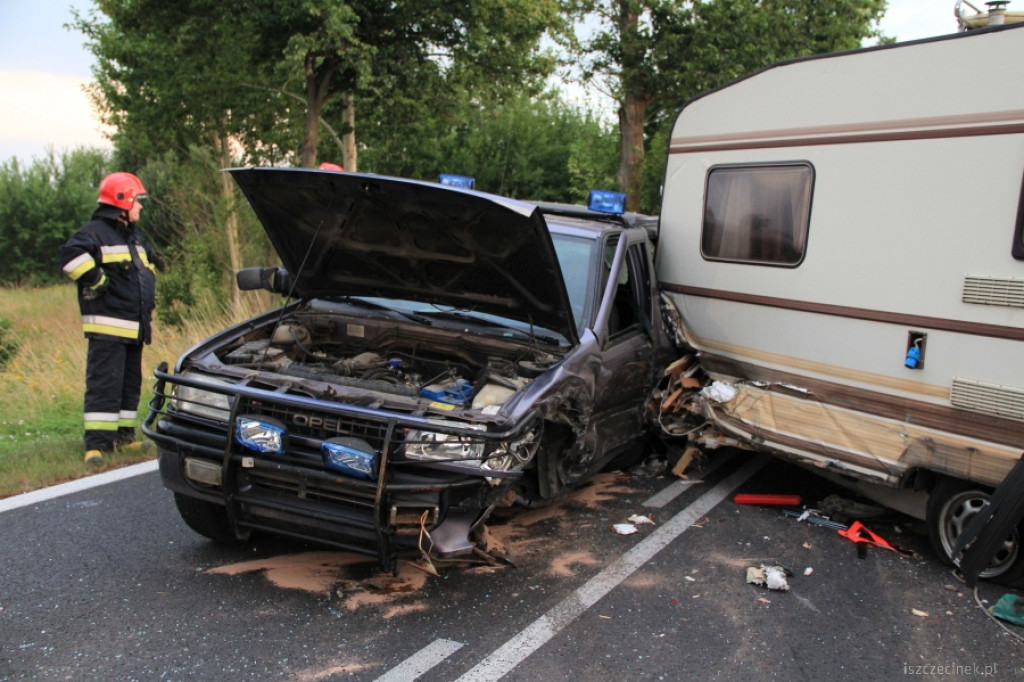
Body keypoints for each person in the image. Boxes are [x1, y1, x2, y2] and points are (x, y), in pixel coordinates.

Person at [59, 172, 157, 465]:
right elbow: (70, 257)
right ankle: (96, 446)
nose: (140, 207)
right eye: (137, 201)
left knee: (129, 384)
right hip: (108, 326)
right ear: (122, 200)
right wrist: (97, 280)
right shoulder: (94, 233)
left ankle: (122, 439)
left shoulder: (133, 236)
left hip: (134, 326)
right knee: (105, 384)